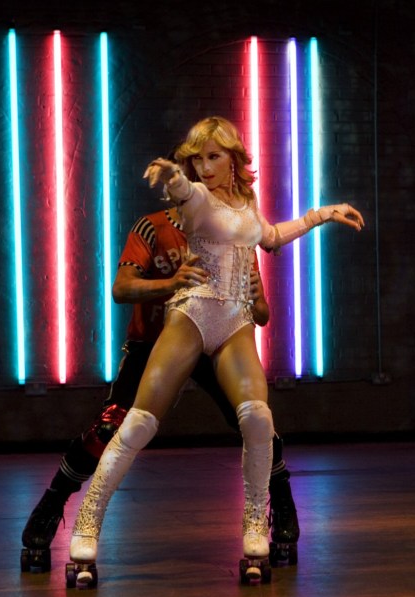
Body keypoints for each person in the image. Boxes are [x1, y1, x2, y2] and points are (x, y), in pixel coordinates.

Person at [66, 116, 363, 587]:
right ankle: (87, 523)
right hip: (193, 313)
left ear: (233, 159)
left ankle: (255, 525)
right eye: (197, 159)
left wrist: (323, 214)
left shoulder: (245, 202)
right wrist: (173, 179)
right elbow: (187, 194)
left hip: (235, 319)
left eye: (213, 157)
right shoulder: (198, 198)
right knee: (138, 422)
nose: (204, 167)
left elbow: (270, 237)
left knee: (258, 418)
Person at [20, 201, 299, 574]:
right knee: (111, 428)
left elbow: (260, 312)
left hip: (213, 344)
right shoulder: (152, 228)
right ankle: (54, 502)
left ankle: (279, 500)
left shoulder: (233, 230)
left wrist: (256, 300)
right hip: (154, 343)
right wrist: (171, 283)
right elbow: (121, 288)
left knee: (256, 422)